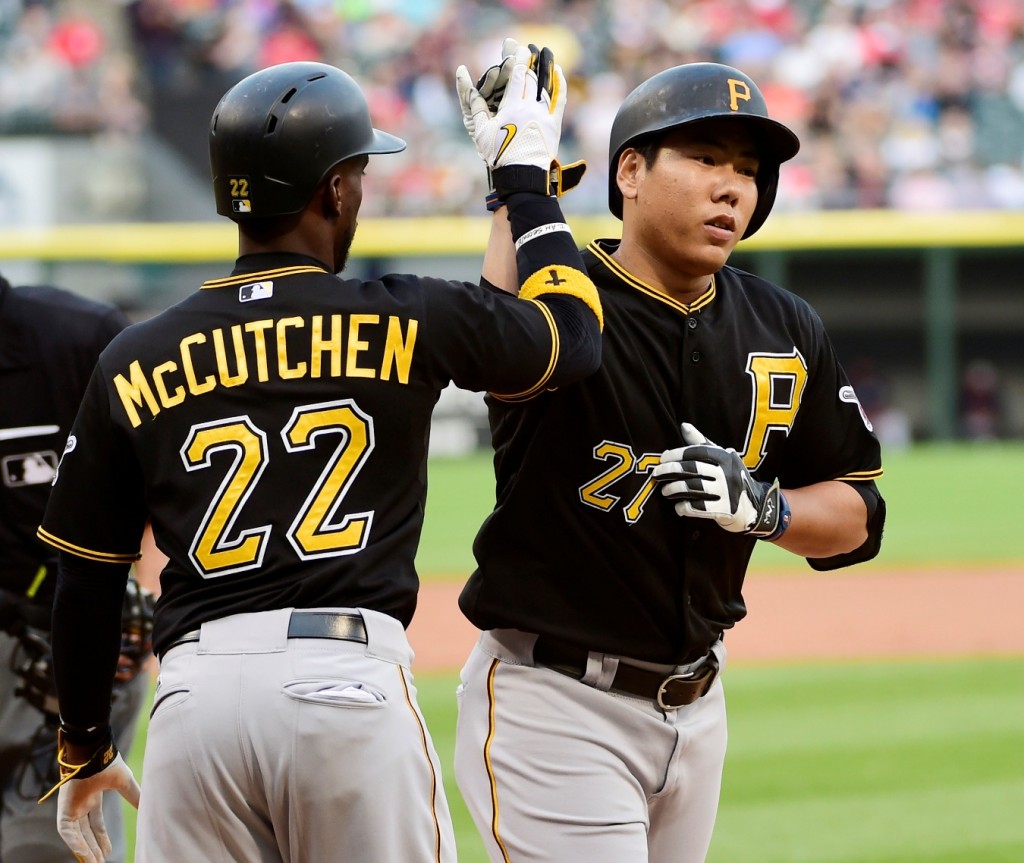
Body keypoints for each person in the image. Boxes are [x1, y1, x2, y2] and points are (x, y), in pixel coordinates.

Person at [37, 46, 602, 863]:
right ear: (334, 189)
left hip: (195, 701)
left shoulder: (133, 355)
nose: (362, 190)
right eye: (358, 173)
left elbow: (86, 578)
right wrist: (524, 184)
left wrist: (84, 744)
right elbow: (572, 342)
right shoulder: (407, 315)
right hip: (344, 683)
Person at [454, 61, 886, 863]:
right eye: (704, 158)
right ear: (630, 170)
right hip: (556, 701)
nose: (732, 188)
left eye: (749, 171)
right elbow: (500, 339)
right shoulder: (564, 293)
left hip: (701, 704)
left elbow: (859, 513)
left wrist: (768, 508)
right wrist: (516, 181)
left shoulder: (784, 323)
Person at [0, 274, 157, 863]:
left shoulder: (76, 338)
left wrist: (137, 596)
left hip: (52, 648)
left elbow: (164, 475)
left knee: (46, 850)